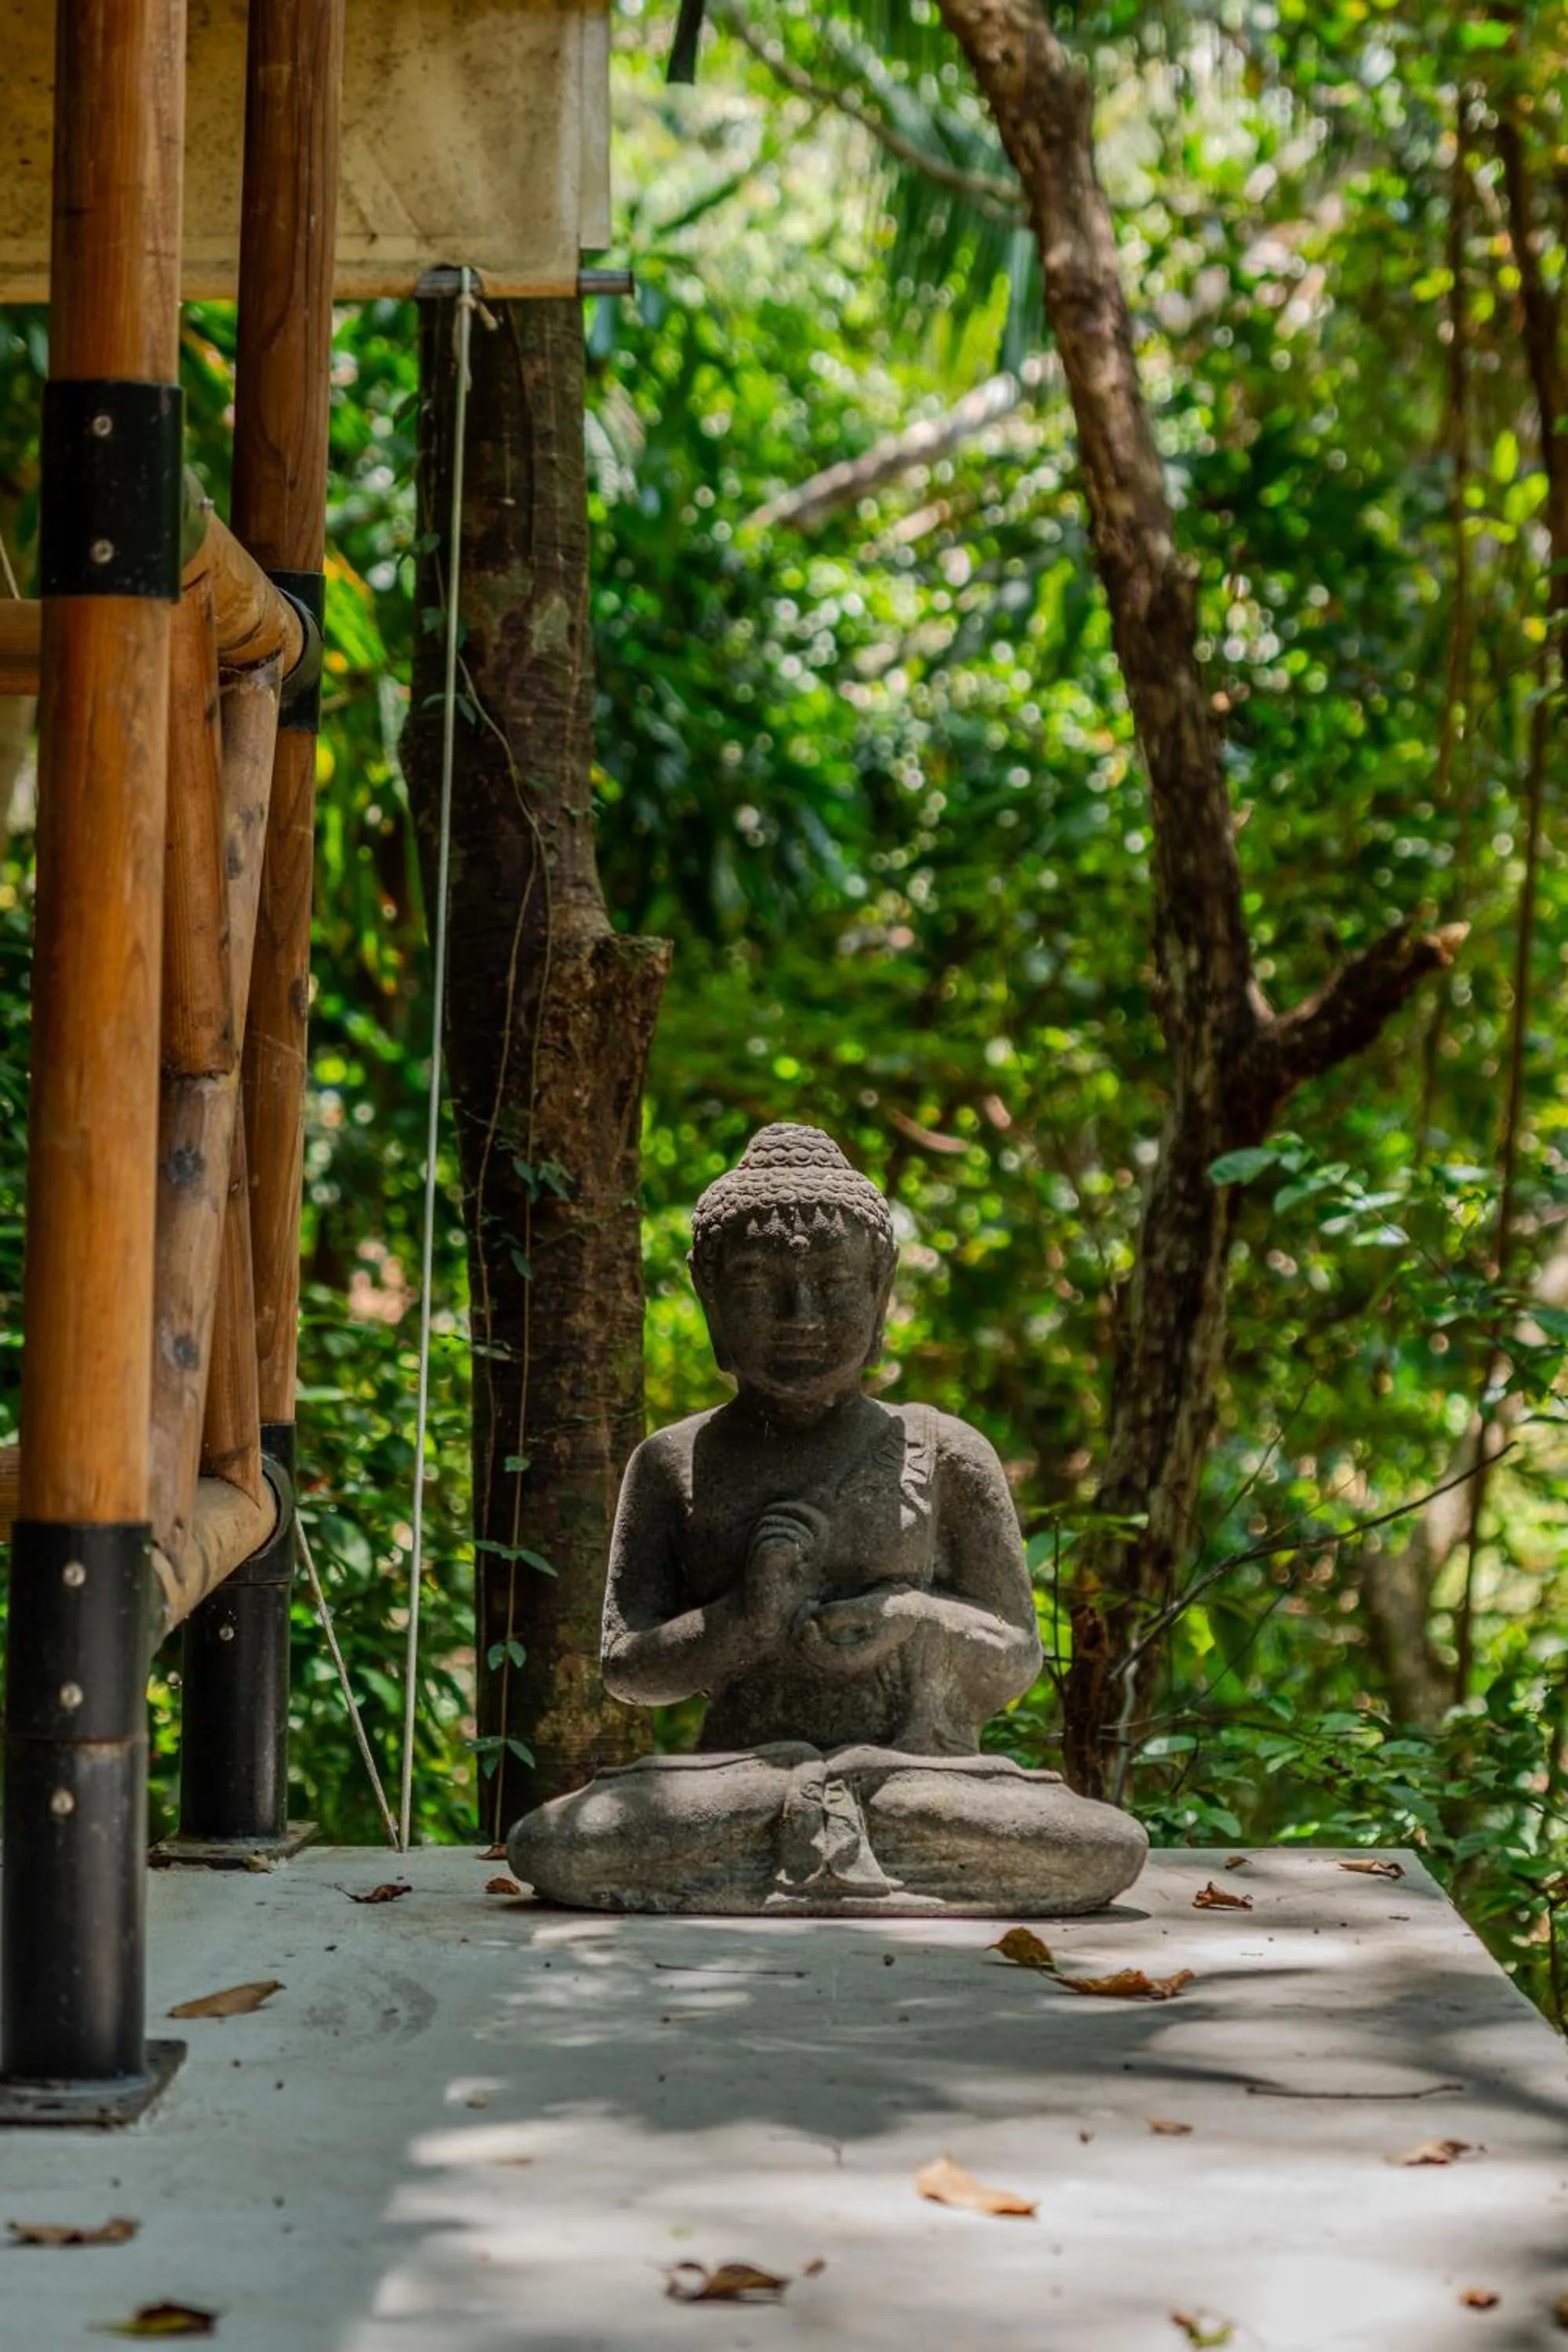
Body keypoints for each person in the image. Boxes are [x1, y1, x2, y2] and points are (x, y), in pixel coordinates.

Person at [508, 1125, 1148, 1914]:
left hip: (912, 1780)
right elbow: (628, 1666)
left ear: (881, 1290)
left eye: (833, 1282)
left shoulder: (944, 1451)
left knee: (1104, 1847)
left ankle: (804, 1852)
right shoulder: (671, 1461)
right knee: (550, 1845)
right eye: (754, 1286)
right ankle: (832, 1847)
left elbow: (1016, 1655)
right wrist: (749, 1616)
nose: (797, 1314)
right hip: (740, 1782)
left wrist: (909, 1618)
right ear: (707, 1294)